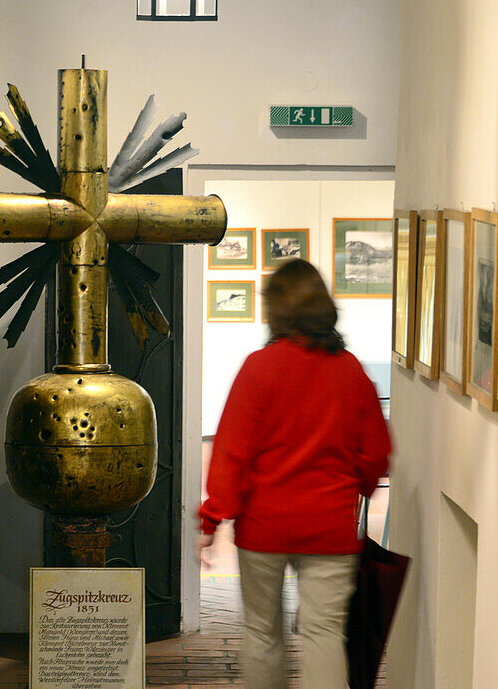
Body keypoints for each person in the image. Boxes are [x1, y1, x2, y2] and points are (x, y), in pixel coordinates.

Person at [196, 258, 391, 689]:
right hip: (329, 527)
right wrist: (354, 486)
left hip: (263, 529)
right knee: (324, 635)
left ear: (276, 310)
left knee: (262, 633)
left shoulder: (258, 368)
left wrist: (213, 519)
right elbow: (376, 454)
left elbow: (232, 453)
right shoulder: (351, 372)